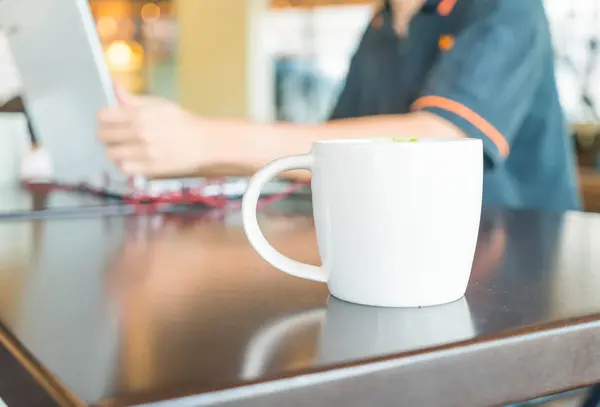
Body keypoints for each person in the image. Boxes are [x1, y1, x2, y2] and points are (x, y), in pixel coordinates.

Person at [98, 0, 581, 212]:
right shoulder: (378, 27)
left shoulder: (503, 6)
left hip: (522, 289)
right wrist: (176, 164)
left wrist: (204, 140)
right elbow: (328, 158)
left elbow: (442, 138)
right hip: (408, 256)